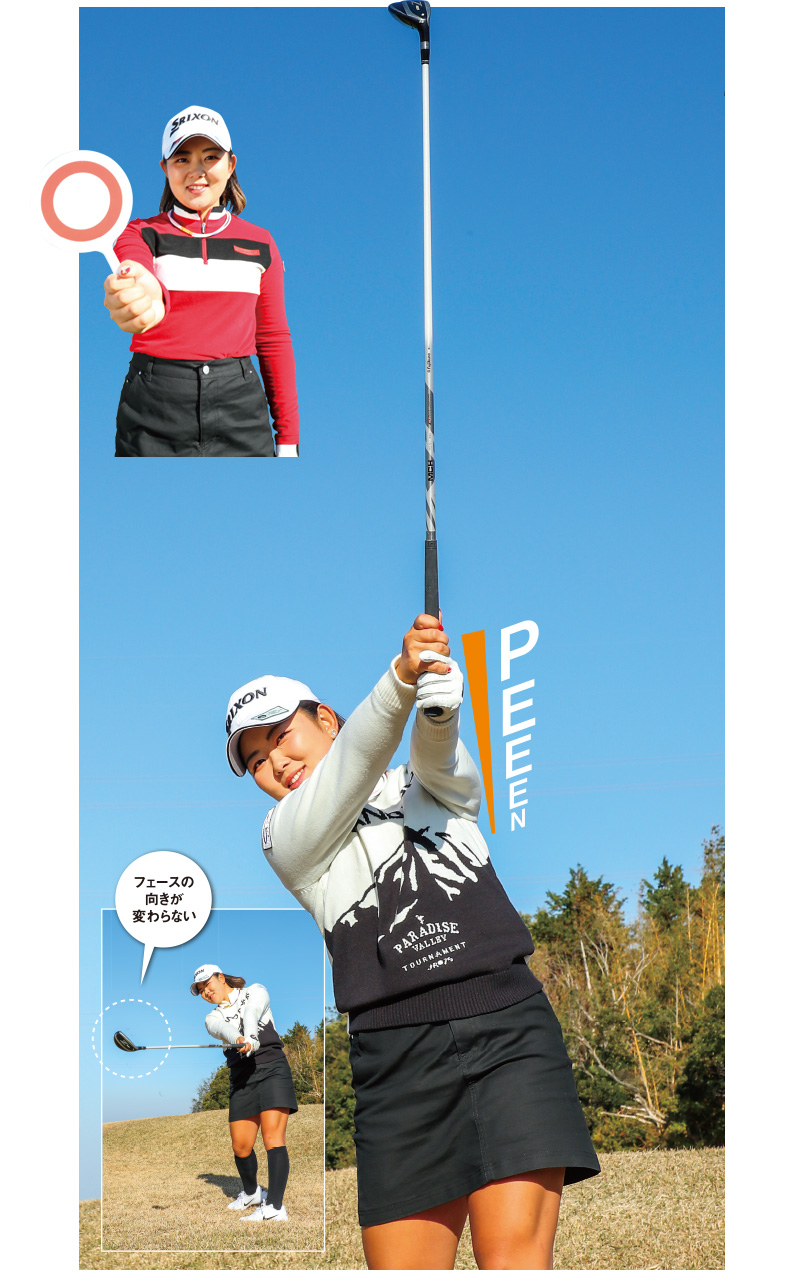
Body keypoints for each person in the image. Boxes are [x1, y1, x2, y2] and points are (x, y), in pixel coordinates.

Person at [223, 614, 600, 1270]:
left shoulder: (426, 783)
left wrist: (437, 707)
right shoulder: (283, 835)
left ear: (327, 720)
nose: (274, 763)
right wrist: (402, 679)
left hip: (507, 1029)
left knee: (515, 1257)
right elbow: (352, 768)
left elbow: (438, 758)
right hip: (395, 1060)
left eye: (281, 737)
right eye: (255, 760)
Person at [103, 105, 299, 458]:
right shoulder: (139, 233)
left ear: (230, 164)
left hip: (241, 409)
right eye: (182, 159)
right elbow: (136, 270)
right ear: (165, 168)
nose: (197, 171)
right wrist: (140, 294)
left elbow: (273, 339)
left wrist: (288, 440)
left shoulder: (261, 242)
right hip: (153, 405)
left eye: (210, 157)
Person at [191, 962, 298, 1222]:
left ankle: (274, 1208)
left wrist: (251, 1036)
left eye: (208, 984)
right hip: (241, 1078)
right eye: (201, 990)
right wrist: (239, 1040)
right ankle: (252, 1193)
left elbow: (252, 1012)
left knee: (273, 1137)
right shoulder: (211, 1018)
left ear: (220, 977)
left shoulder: (255, 990)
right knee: (241, 1146)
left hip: (271, 1068)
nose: (206, 992)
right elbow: (223, 1029)